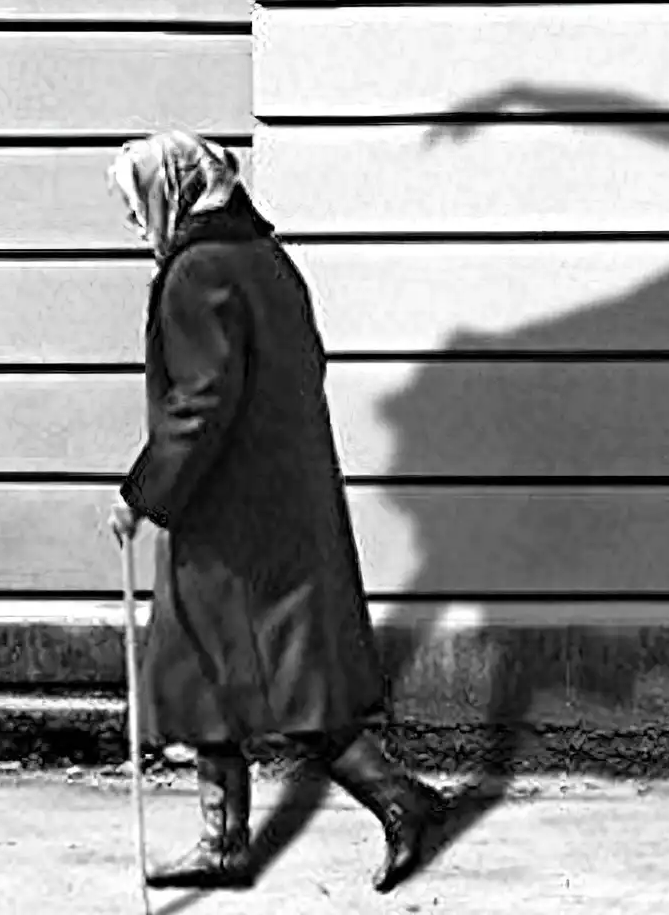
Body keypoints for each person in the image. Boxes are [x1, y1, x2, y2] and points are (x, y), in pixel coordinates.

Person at [105, 131, 441, 893]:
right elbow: (302, 367)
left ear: (171, 190)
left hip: (226, 516)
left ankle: (398, 800)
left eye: (136, 201)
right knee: (225, 670)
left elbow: (200, 402)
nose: (133, 220)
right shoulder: (269, 260)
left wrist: (140, 494)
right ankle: (224, 842)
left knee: (270, 677)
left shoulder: (196, 272)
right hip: (280, 498)